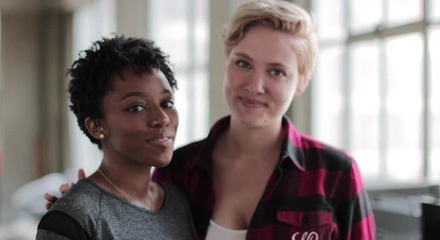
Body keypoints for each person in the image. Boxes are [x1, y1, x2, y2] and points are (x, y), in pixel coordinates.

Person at [47, 1, 376, 239]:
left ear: (301, 81)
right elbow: (130, 216)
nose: (254, 85)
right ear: (226, 60)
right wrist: (85, 207)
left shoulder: (336, 174)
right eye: (243, 64)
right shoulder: (177, 170)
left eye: (276, 71)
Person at [37, 35, 197, 240]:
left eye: (167, 103)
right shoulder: (74, 218)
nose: (163, 119)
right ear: (96, 126)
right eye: (136, 107)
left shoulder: (176, 202)